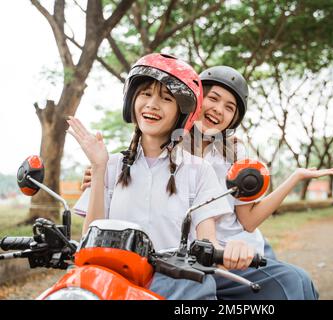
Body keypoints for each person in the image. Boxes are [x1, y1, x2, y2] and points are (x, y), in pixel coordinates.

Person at [69, 53, 256, 300]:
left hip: (176, 287)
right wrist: (100, 167)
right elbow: (88, 242)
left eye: (166, 98)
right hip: (113, 285)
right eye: (146, 94)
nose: (152, 104)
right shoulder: (110, 164)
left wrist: (234, 249)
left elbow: (208, 244)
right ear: (132, 100)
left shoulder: (199, 171)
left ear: (182, 112)